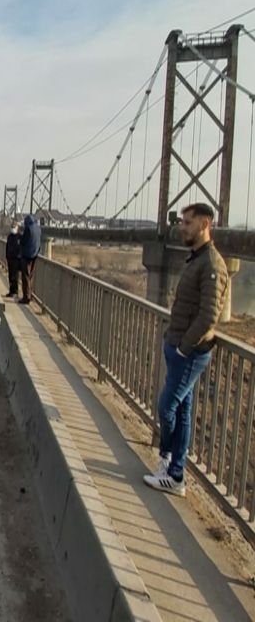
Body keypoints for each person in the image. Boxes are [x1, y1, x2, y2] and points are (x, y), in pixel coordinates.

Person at [144, 203, 228, 496]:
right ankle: (172, 469)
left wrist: (182, 348)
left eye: (188, 222)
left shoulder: (212, 265)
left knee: (166, 407)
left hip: (189, 353)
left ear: (205, 224)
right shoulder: (198, 259)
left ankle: (173, 469)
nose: (182, 227)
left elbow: (209, 316)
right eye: (182, 221)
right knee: (181, 411)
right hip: (180, 346)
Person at [18, 214, 41, 305]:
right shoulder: (38, 229)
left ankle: (26, 297)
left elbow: (23, 241)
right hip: (35, 255)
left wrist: (20, 236)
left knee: (25, 276)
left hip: (27, 255)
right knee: (31, 276)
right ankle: (30, 295)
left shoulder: (28, 229)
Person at [5, 221, 22, 299]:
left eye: (14, 227)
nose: (12, 229)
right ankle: (11, 291)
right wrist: (7, 256)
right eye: (12, 227)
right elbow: (7, 247)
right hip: (10, 258)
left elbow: (21, 248)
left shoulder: (19, 237)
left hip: (16, 259)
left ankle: (15, 291)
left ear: (17, 228)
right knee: (10, 275)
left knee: (15, 276)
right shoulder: (9, 236)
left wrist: (19, 256)